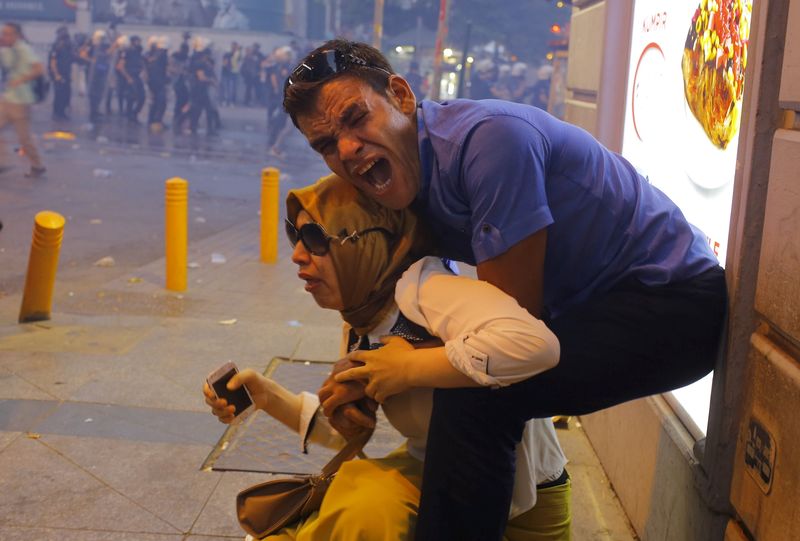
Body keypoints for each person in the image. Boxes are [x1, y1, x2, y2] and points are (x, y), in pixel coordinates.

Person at [281, 39, 728, 540]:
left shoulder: (490, 141)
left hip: (673, 304)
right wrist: (368, 372)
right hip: (585, 310)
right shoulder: (403, 175)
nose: (345, 148)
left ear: (402, 96)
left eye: (356, 118)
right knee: (469, 379)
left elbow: (510, 333)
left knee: (479, 393)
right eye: (324, 144)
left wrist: (405, 365)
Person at [204, 173, 571, 540]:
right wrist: (266, 396)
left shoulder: (428, 291)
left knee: (364, 510)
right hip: (431, 475)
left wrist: (410, 366)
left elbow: (536, 344)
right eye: (294, 235)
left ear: (366, 242)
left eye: (316, 238)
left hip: (525, 501)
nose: (298, 255)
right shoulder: (363, 318)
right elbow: (347, 431)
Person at [0, 22, 46, 177]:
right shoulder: (8, 49)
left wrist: (22, 79)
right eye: (3, 33)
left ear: (16, 35)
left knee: (24, 139)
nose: (4, 36)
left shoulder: (23, 49)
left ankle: (38, 166)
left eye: (7, 33)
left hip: (21, 101)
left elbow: (39, 68)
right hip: (8, 98)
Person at [144, 35, 169, 131]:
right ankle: (157, 121)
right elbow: (165, 69)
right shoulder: (162, 54)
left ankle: (151, 120)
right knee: (161, 101)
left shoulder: (153, 54)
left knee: (155, 101)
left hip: (152, 80)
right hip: (159, 80)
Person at [48, 26, 73, 120]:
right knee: (59, 94)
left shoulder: (68, 46)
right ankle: (57, 113)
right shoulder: (56, 46)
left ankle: (62, 112)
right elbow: (53, 62)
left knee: (66, 94)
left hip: (66, 74)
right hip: (58, 74)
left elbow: (73, 57)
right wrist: (56, 74)